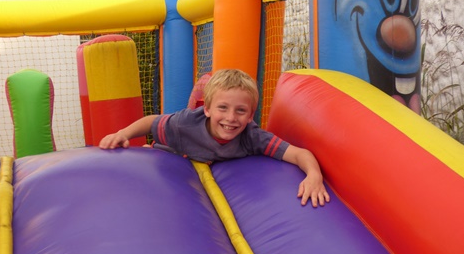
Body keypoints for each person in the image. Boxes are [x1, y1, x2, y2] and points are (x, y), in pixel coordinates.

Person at [99, 69, 330, 207]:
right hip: (173, 157)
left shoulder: (252, 137)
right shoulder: (186, 123)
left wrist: (314, 175)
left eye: (241, 111)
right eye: (223, 108)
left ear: (251, 116)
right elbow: (151, 121)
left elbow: (299, 153)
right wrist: (123, 134)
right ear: (207, 109)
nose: (231, 118)